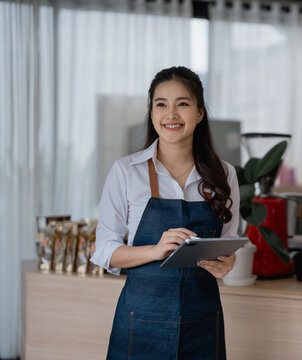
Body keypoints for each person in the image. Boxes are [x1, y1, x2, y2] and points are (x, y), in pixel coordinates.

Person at [90, 66, 240, 359]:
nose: (171, 115)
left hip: (203, 321)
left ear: (199, 113)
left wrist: (227, 263)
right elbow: (104, 250)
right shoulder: (125, 172)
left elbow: (229, 242)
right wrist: (155, 250)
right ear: (151, 113)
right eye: (161, 105)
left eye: (182, 104)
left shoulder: (224, 174)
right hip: (140, 322)